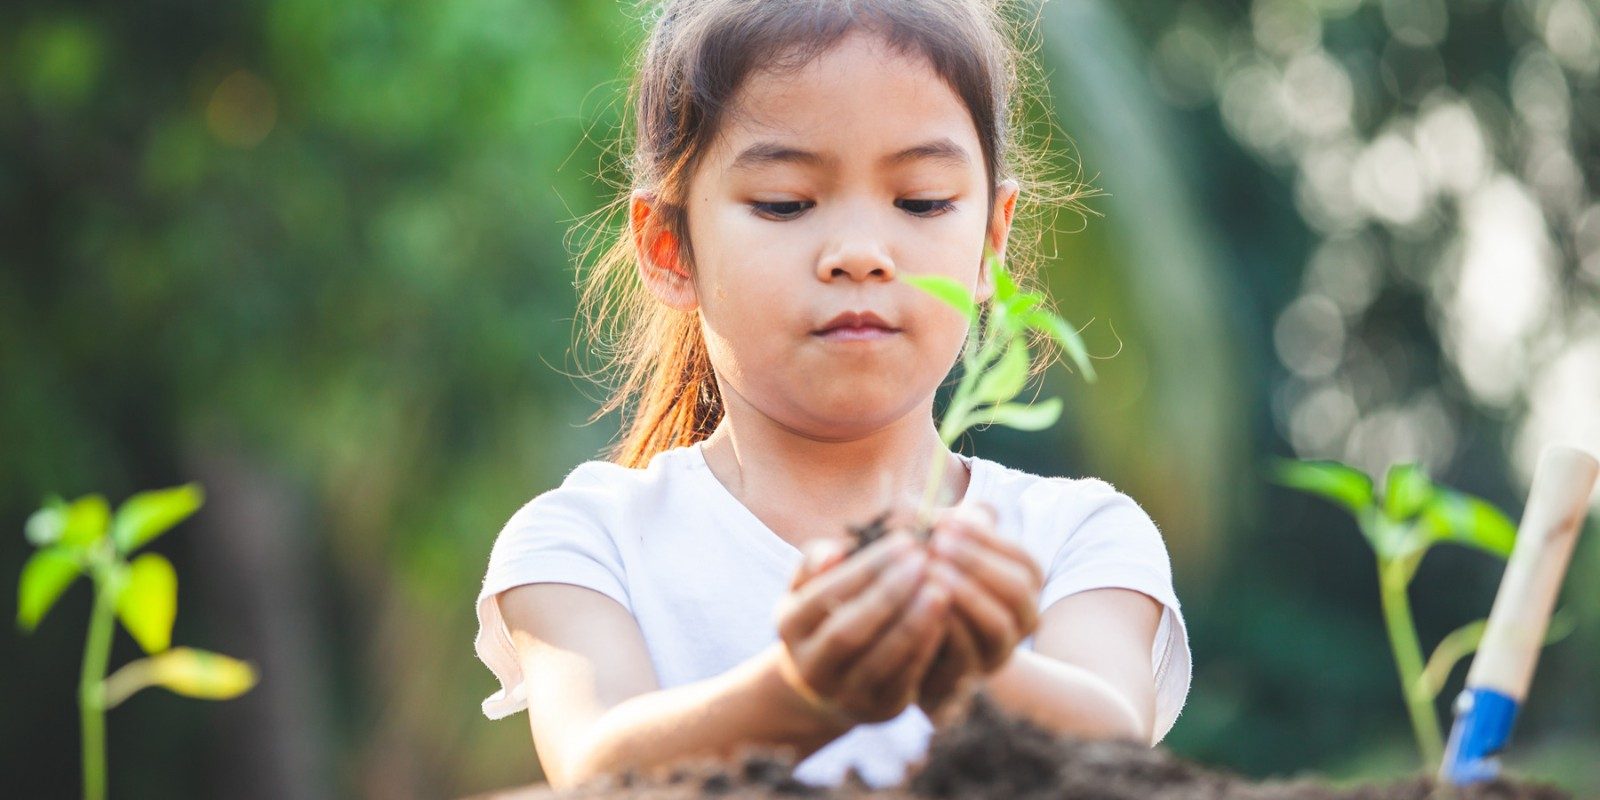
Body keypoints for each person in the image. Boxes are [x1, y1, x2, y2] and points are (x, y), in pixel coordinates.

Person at [474, 0, 1190, 790]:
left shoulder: (1077, 539)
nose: (860, 254)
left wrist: (967, 674)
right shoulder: (586, 544)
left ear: (992, 241)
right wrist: (802, 691)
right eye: (785, 202)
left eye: (920, 201)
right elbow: (598, 769)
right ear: (668, 246)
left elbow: (1114, 751)